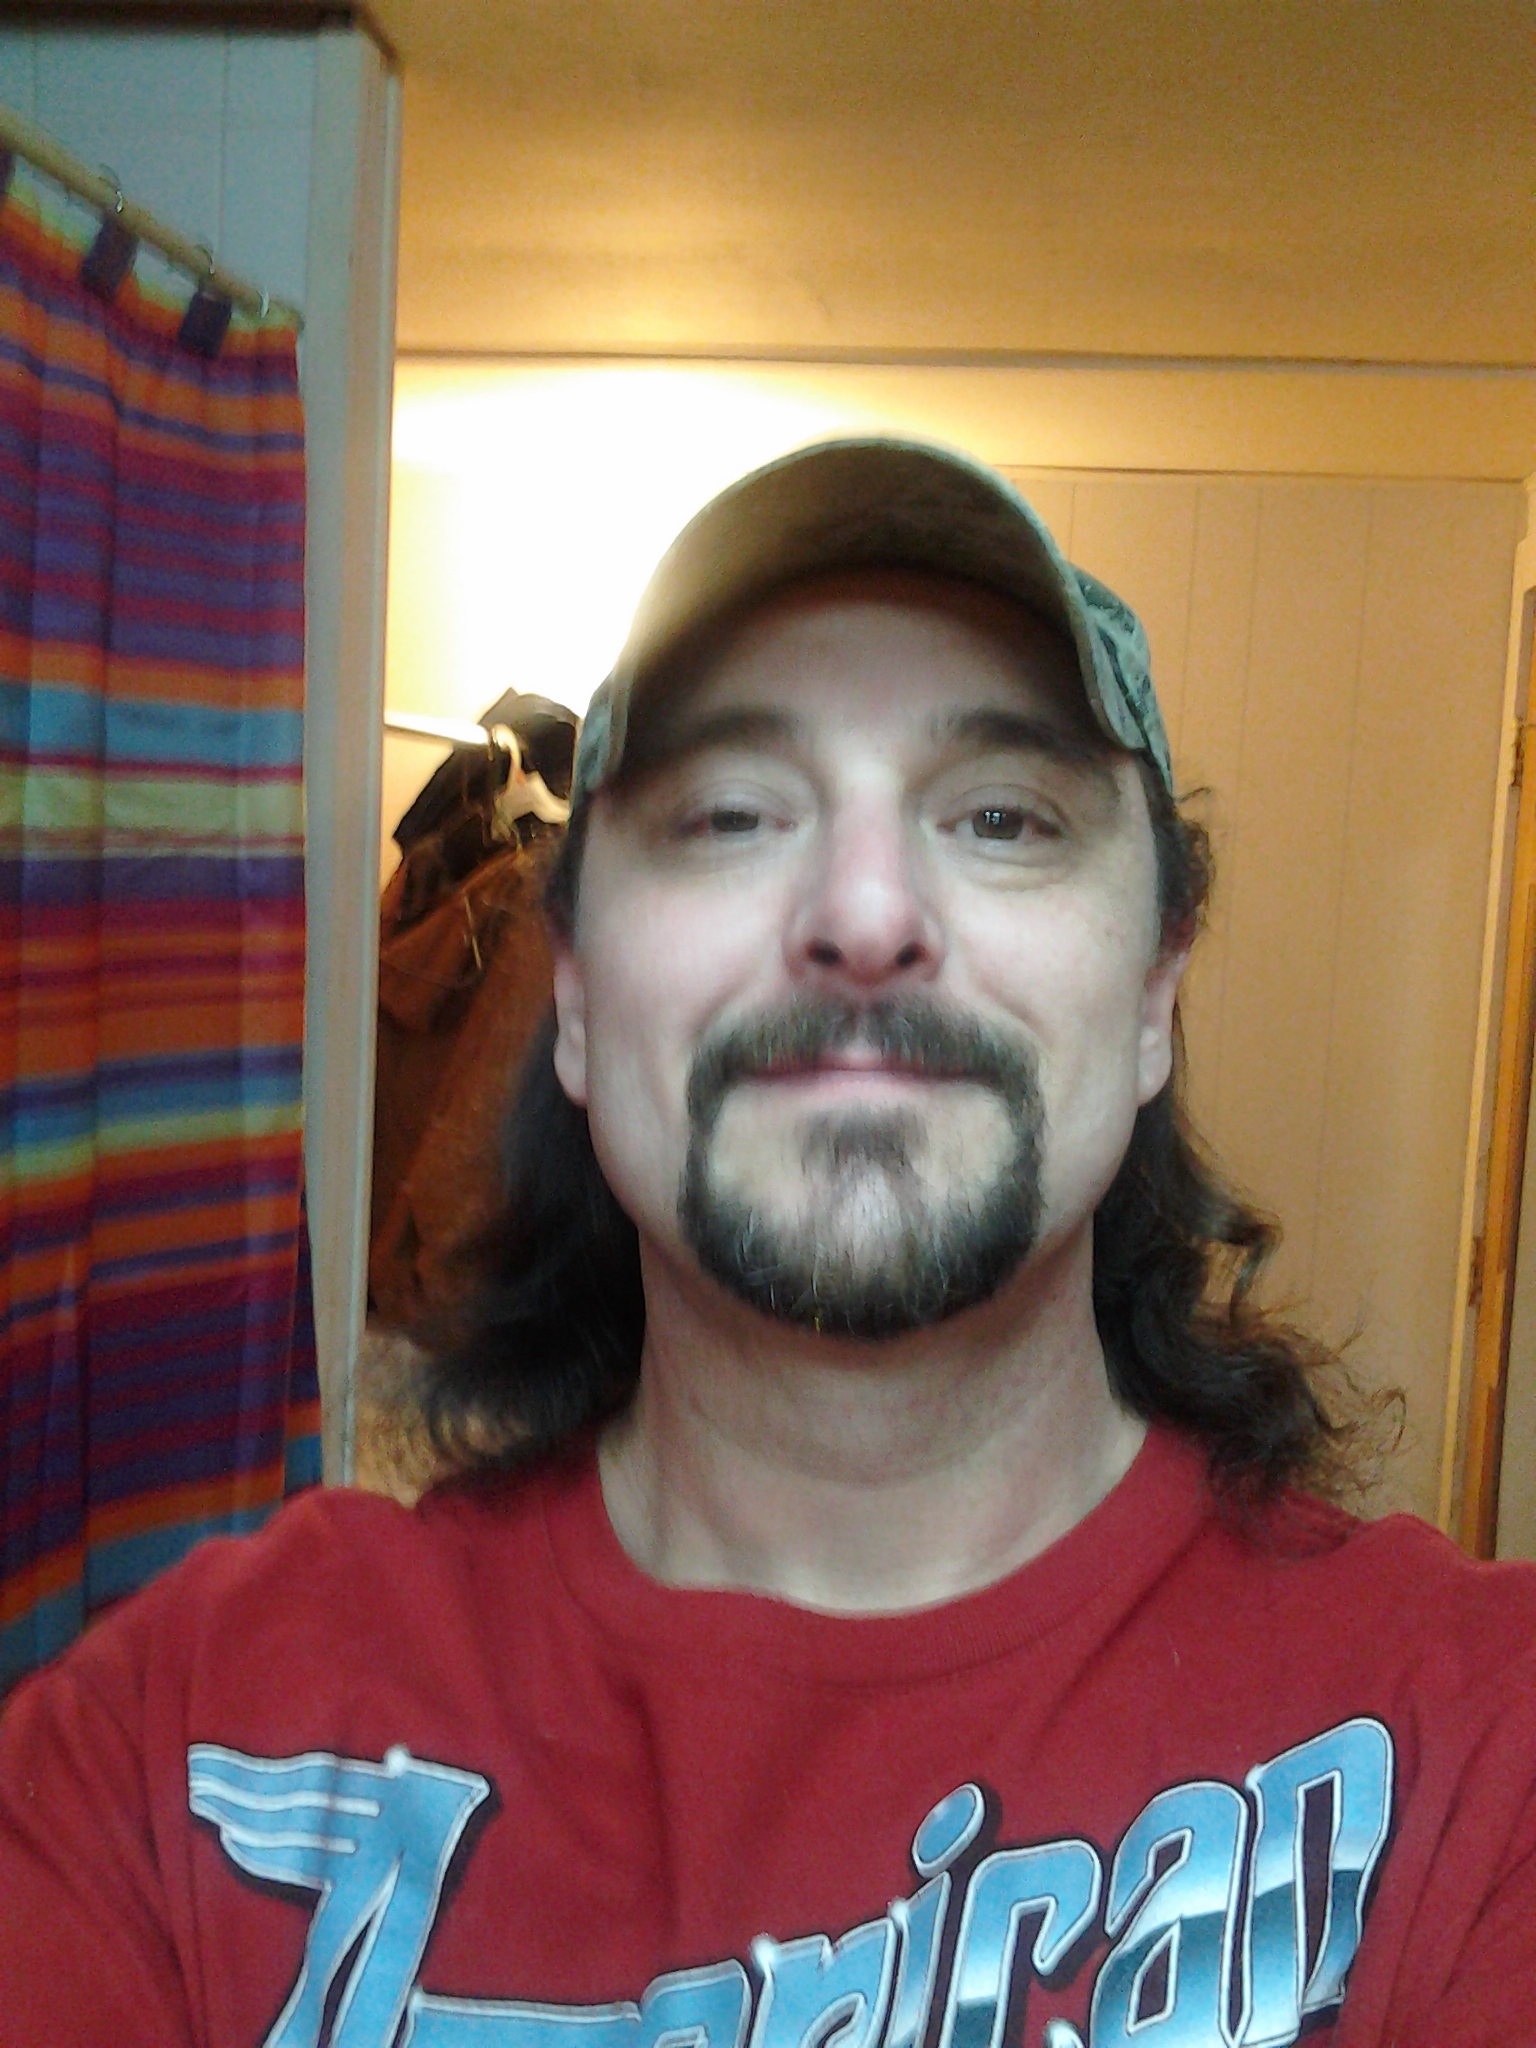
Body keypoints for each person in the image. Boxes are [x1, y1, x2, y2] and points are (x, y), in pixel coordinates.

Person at [1, 438, 1533, 2046]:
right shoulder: (171, 1747)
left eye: (1001, 816)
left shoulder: (1485, 1765)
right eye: (732, 815)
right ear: (575, 1001)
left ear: (1156, 993)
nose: (864, 916)